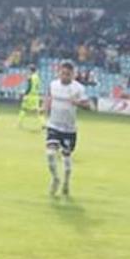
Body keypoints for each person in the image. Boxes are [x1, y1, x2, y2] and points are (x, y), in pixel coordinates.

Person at [44, 60, 91, 197]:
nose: (65, 76)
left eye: (68, 74)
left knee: (66, 161)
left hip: (69, 130)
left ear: (73, 75)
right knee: (50, 154)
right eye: (63, 73)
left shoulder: (79, 88)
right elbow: (49, 98)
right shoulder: (53, 85)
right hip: (54, 126)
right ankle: (55, 179)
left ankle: (66, 183)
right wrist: (45, 107)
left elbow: (89, 107)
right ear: (59, 72)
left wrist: (77, 103)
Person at [18, 66, 45, 130]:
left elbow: (29, 87)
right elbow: (37, 86)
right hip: (36, 96)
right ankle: (43, 124)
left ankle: (19, 123)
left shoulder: (31, 77)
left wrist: (25, 93)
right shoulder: (37, 77)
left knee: (23, 109)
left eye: (29, 70)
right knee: (38, 111)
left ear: (30, 70)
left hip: (30, 96)